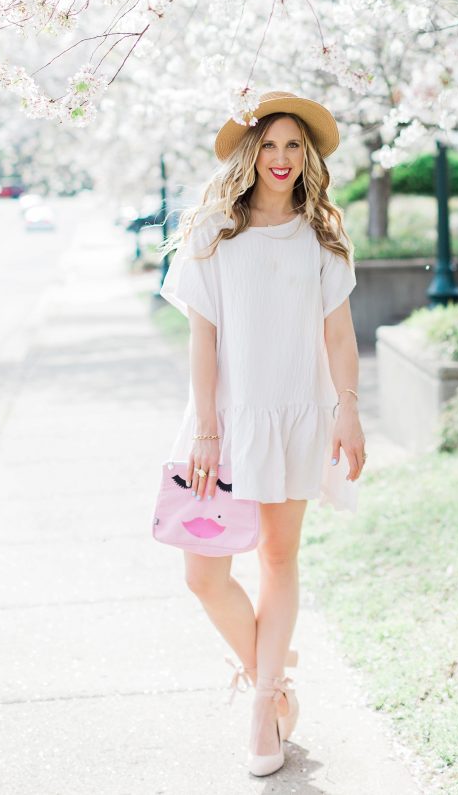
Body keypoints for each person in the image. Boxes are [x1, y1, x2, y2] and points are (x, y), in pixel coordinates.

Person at [159, 89, 367, 777]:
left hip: (295, 414)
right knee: (203, 573)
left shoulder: (321, 237)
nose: (281, 158)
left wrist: (350, 408)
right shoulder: (214, 231)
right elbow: (203, 339)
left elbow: (338, 333)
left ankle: (262, 709)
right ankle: (272, 680)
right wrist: (208, 428)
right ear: (252, 153)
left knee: (278, 559)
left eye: (293, 146)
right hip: (223, 423)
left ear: (307, 156)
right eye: (270, 144)